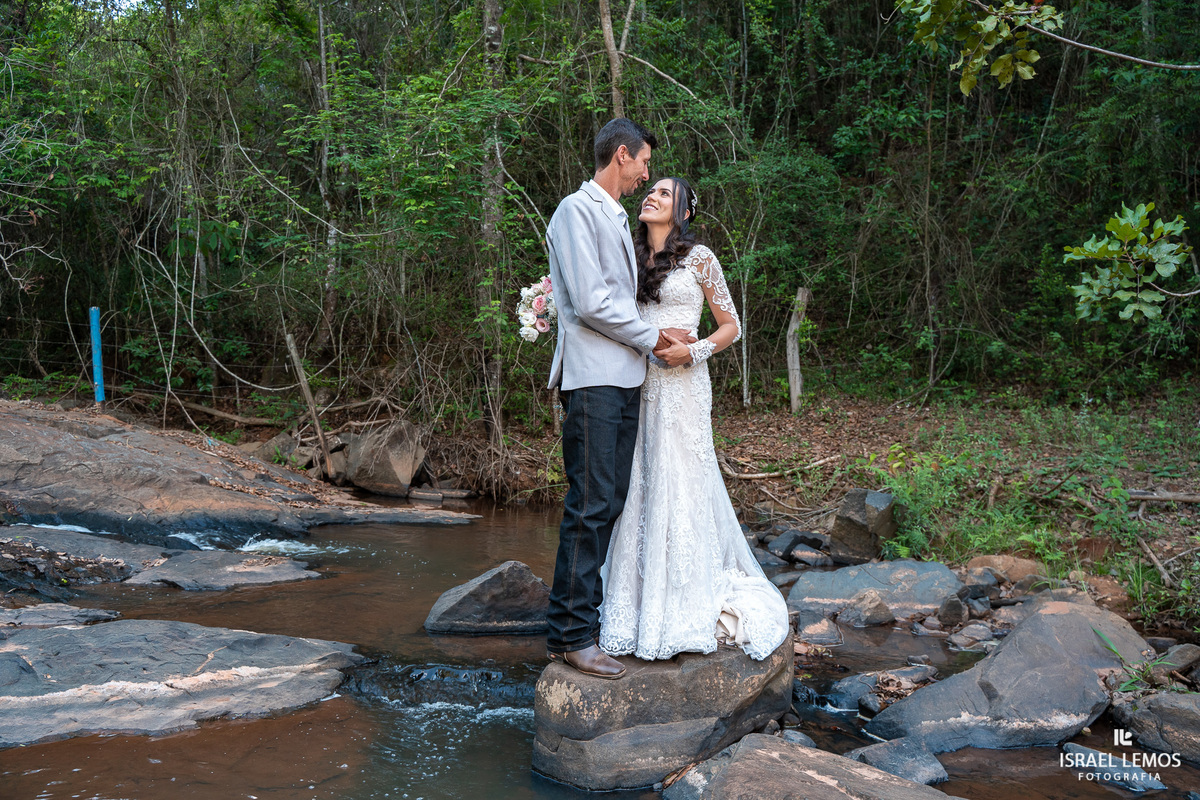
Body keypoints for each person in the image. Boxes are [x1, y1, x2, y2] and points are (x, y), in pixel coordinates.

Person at [597, 176, 790, 662]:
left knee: (679, 479)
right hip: (636, 382)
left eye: (664, 193)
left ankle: (681, 606)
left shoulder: (700, 258)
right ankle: (636, 606)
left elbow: (732, 327)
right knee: (639, 480)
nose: (652, 196)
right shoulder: (628, 255)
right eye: (651, 189)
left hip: (683, 386)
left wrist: (693, 350)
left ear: (681, 210)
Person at [544, 119, 695, 679]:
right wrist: (655, 338)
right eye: (645, 164)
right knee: (589, 504)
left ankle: (584, 621)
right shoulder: (575, 210)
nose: (646, 175)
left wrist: (662, 338)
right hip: (594, 382)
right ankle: (570, 636)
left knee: (608, 502)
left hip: (626, 379)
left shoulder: (612, 216)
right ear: (622, 155)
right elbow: (590, 303)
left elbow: (620, 300)